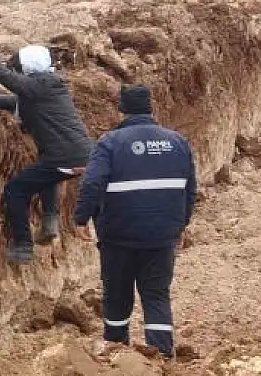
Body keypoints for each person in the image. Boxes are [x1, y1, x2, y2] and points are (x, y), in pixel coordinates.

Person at [73, 85, 197, 357]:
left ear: (122, 110)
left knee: (117, 294)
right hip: (162, 235)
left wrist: (81, 218)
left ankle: (117, 353)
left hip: (119, 235)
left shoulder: (109, 143)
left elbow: (92, 183)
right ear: (150, 108)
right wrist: (181, 225)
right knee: (156, 295)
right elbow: (189, 190)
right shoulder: (177, 142)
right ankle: (162, 355)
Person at [0, 43, 93, 263]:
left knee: (16, 190)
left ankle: (23, 245)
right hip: (81, 155)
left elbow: (4, 76)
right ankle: (49, 222)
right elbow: (18, 102)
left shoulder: (37, 86)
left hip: (63, 158)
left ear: (27, 70)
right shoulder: (50, 86)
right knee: (48, 174)